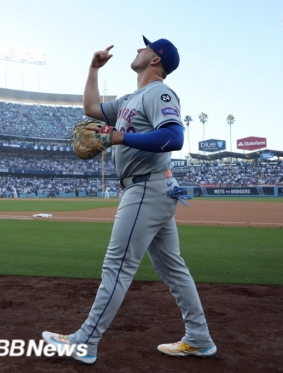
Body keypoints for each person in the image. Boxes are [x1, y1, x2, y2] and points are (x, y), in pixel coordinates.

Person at [42, 36, 216, 364]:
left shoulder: (158, 92)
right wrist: (93, 68)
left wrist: (120, 136)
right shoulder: (128, 99)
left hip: (147, 189)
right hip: (153, 189)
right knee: (173, 269)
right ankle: (199, 337)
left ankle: (85, 342)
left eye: (145, 47)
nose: (138, 49)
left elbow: (174, 136)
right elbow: (92, 110)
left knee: (117, 266)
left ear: (155, 59)